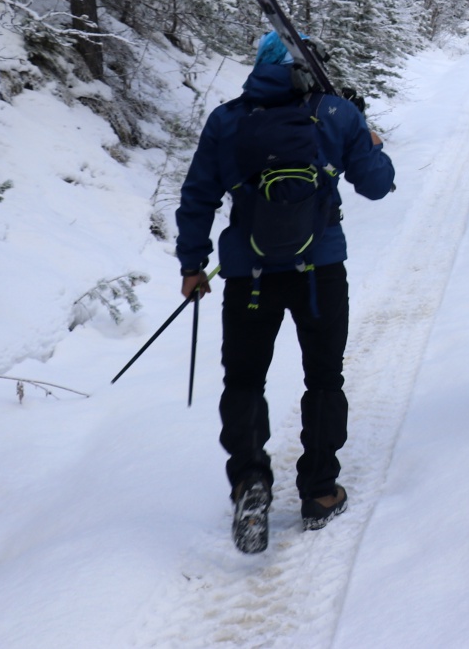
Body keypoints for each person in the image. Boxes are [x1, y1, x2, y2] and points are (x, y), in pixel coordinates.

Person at [175, 31, 394, 551]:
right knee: (323, 376)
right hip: (320, 271)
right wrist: (371, 140)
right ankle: (319, 491)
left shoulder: (227, 120)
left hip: (247, 274)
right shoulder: (337, 114)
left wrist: (192, 263)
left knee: (245, 378)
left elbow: (198, 193)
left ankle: (251, 481)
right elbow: (377, 185)